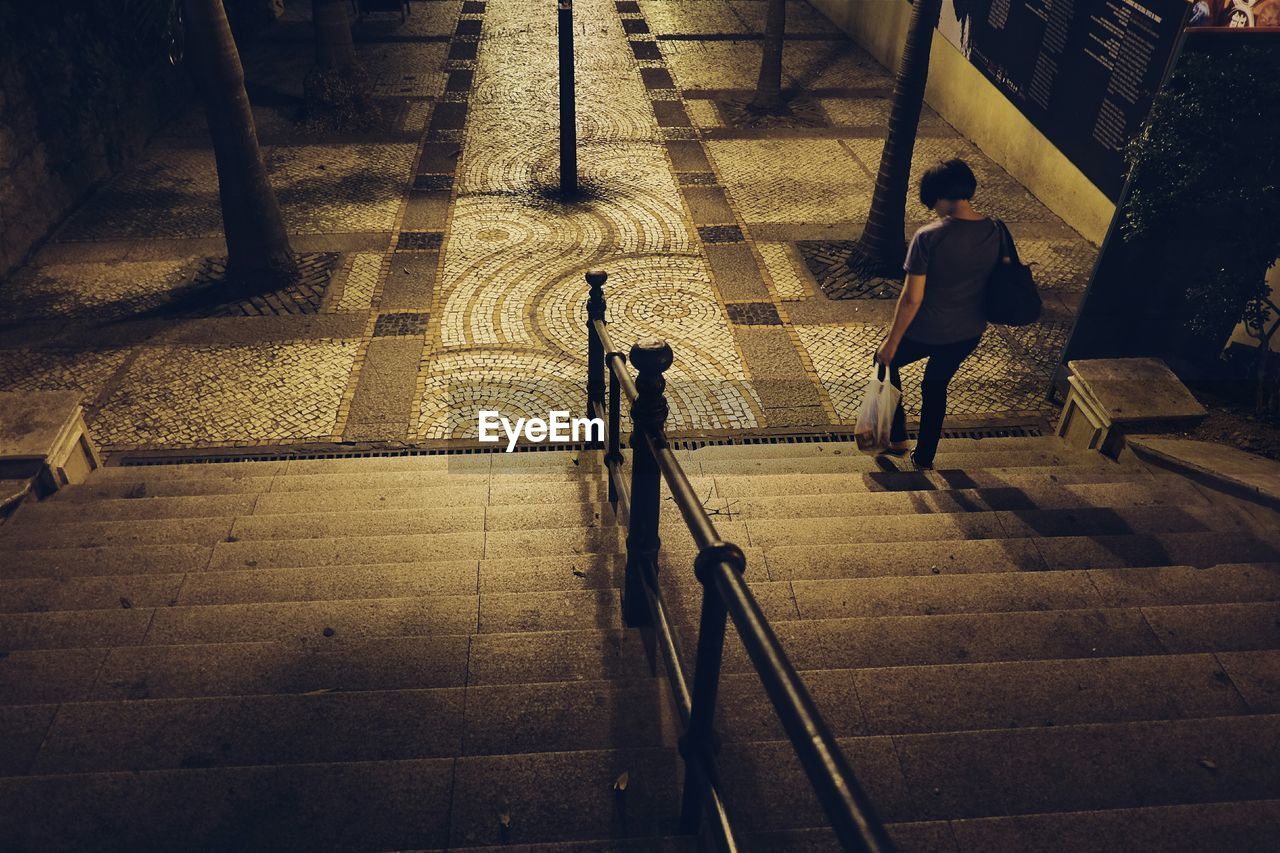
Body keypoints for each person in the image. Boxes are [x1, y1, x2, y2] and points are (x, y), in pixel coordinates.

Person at [873, 158, 1001, 470]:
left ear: (942, 197)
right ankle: (924, 456)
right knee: (935, 385)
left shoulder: (928, 237)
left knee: (885, 361)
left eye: (933, 201)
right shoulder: (995, 230)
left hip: (928, 330)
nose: (933, 209)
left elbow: (911, 300)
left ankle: (898, 438)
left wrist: (891, 342)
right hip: (969, 331)